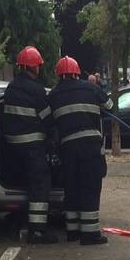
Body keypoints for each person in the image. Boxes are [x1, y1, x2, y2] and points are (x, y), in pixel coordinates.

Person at [49, 56, 112, 245]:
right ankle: (90, 234)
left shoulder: (53, 95)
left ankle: (73, 232)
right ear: (77, 73)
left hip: (67, 149)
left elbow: (46, 121)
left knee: (72, 188)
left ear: (58, 75)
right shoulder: (91, 88)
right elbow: (110, 107)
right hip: (90, 148)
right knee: (90, 187)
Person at [2, 46, 58, 243]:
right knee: (40, 185)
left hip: (11, 147)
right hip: (32, 146)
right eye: (39, 66)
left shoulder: (11, 88)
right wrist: (53, 138)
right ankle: (37, 231)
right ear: (35, 67)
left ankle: (16, 223)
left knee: (21, 185)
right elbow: (47, 119)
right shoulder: (36, 90)